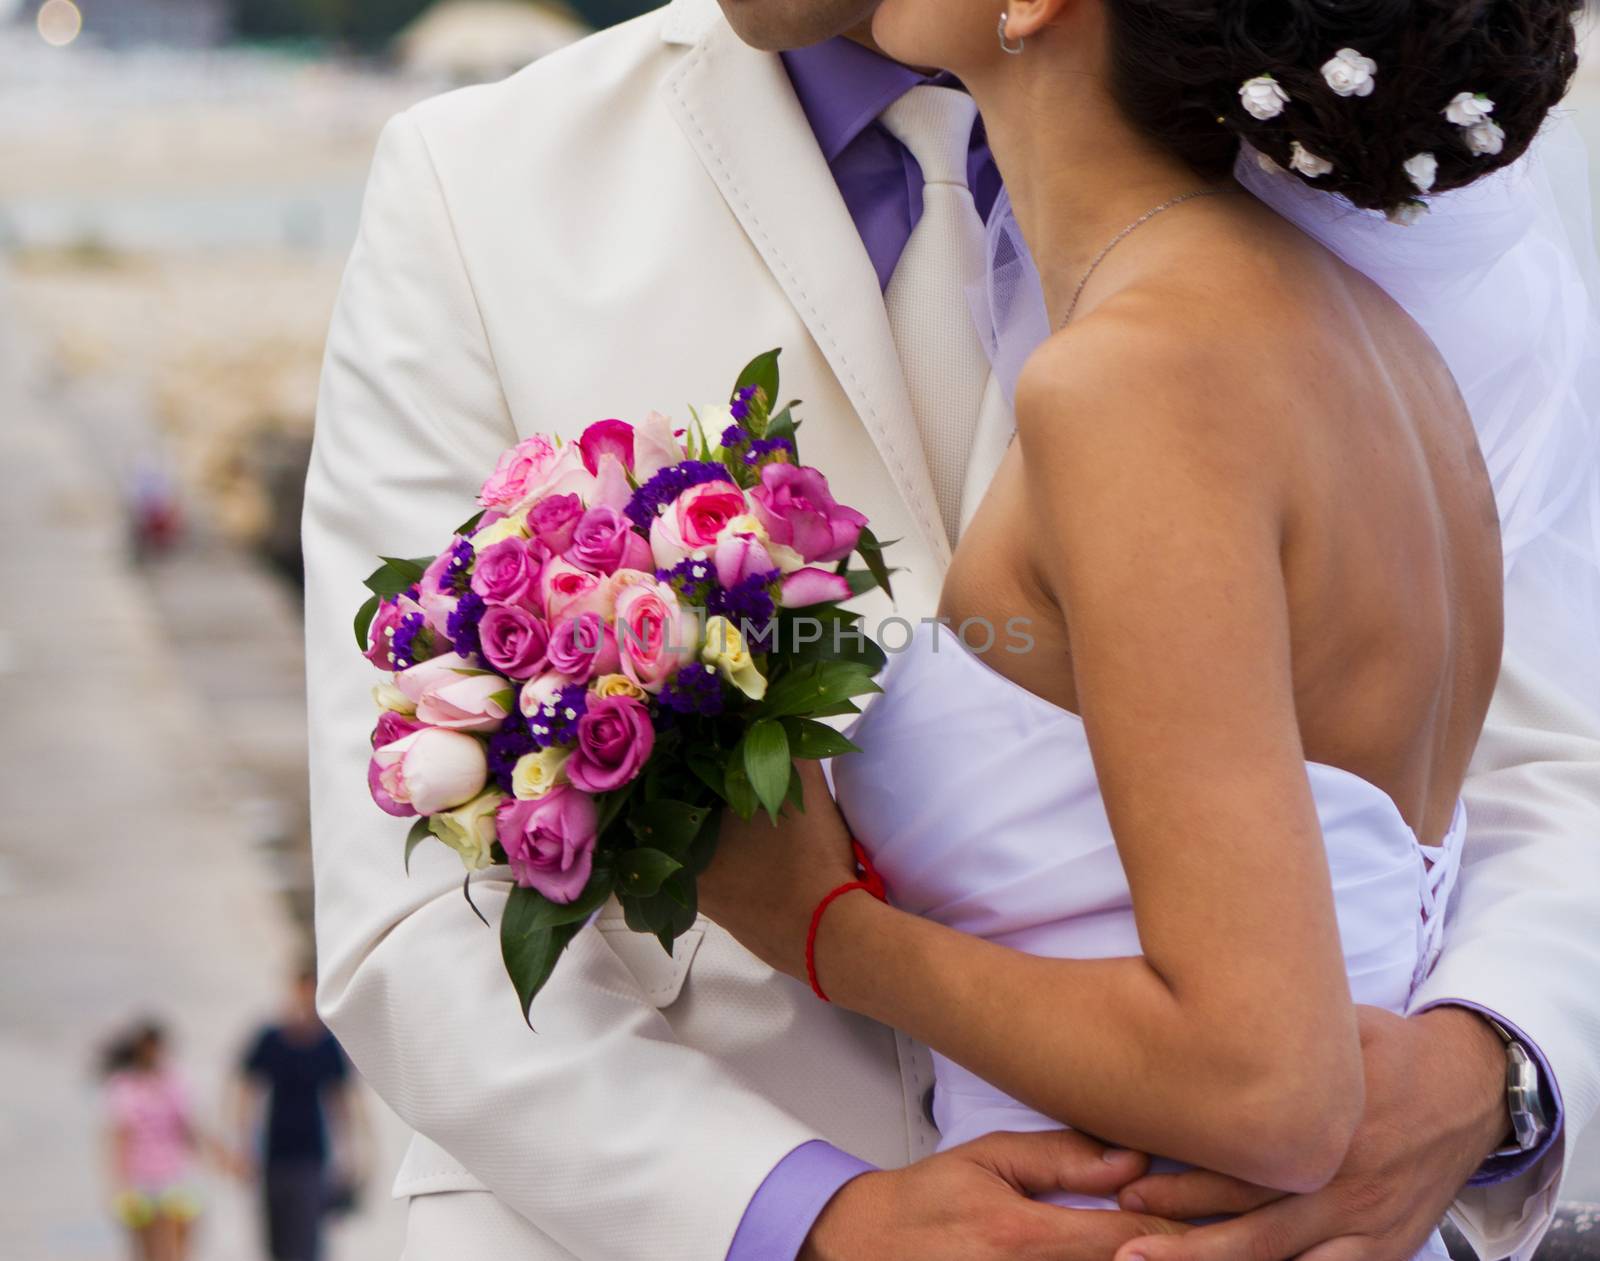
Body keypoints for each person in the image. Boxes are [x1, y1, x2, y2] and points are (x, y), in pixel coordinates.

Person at [300, 1, 1600, 1257]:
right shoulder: (476, 184)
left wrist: (1492, 1067)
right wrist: (800, 1216)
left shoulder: (1347, 219)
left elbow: (1556, 750)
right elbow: (402, 892)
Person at [233, 966, 367, 1261]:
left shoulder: (326, 1045)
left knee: (306, 1241)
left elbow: (341, 1101)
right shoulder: (271, 1038)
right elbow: (247, 1090)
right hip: (274, 1153)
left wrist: (350, 1153)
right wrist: (244, 1145)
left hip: (311, 1155)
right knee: (276, 1241)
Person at [101, 1021, 206, 1261]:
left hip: (173, 1174)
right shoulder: (124, 1086)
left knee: (179, 1245)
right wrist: (117, 1181)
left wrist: (217, 1156)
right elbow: (120, 1135)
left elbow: (189, 1128)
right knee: (146, 1250)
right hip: (140, 1177)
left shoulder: (174, 1082)